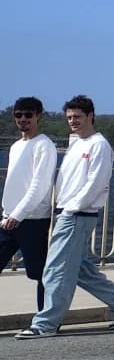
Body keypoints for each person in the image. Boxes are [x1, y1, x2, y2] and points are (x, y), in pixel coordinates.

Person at [18, 95, 114, 338]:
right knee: (81, 269)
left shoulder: (99, 145)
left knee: (56, 269)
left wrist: (72, 208)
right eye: (69, 117)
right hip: (67, 212)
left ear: (90, 116)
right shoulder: (77, 143)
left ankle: (46, 324)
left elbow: (96, 182)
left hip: (77, 214)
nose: (72, 121)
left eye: (77, 117)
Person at [2, 97, 57, 312]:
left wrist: (18, 214)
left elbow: (39, 186)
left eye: (28, 115)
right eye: (18, 115)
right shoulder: (16, 146)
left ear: (38, 116)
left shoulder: (44, 146)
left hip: (33, 220)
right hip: (9, 219)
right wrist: (9, 214)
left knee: (40, 272)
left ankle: (46, 318)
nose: (23, 119)